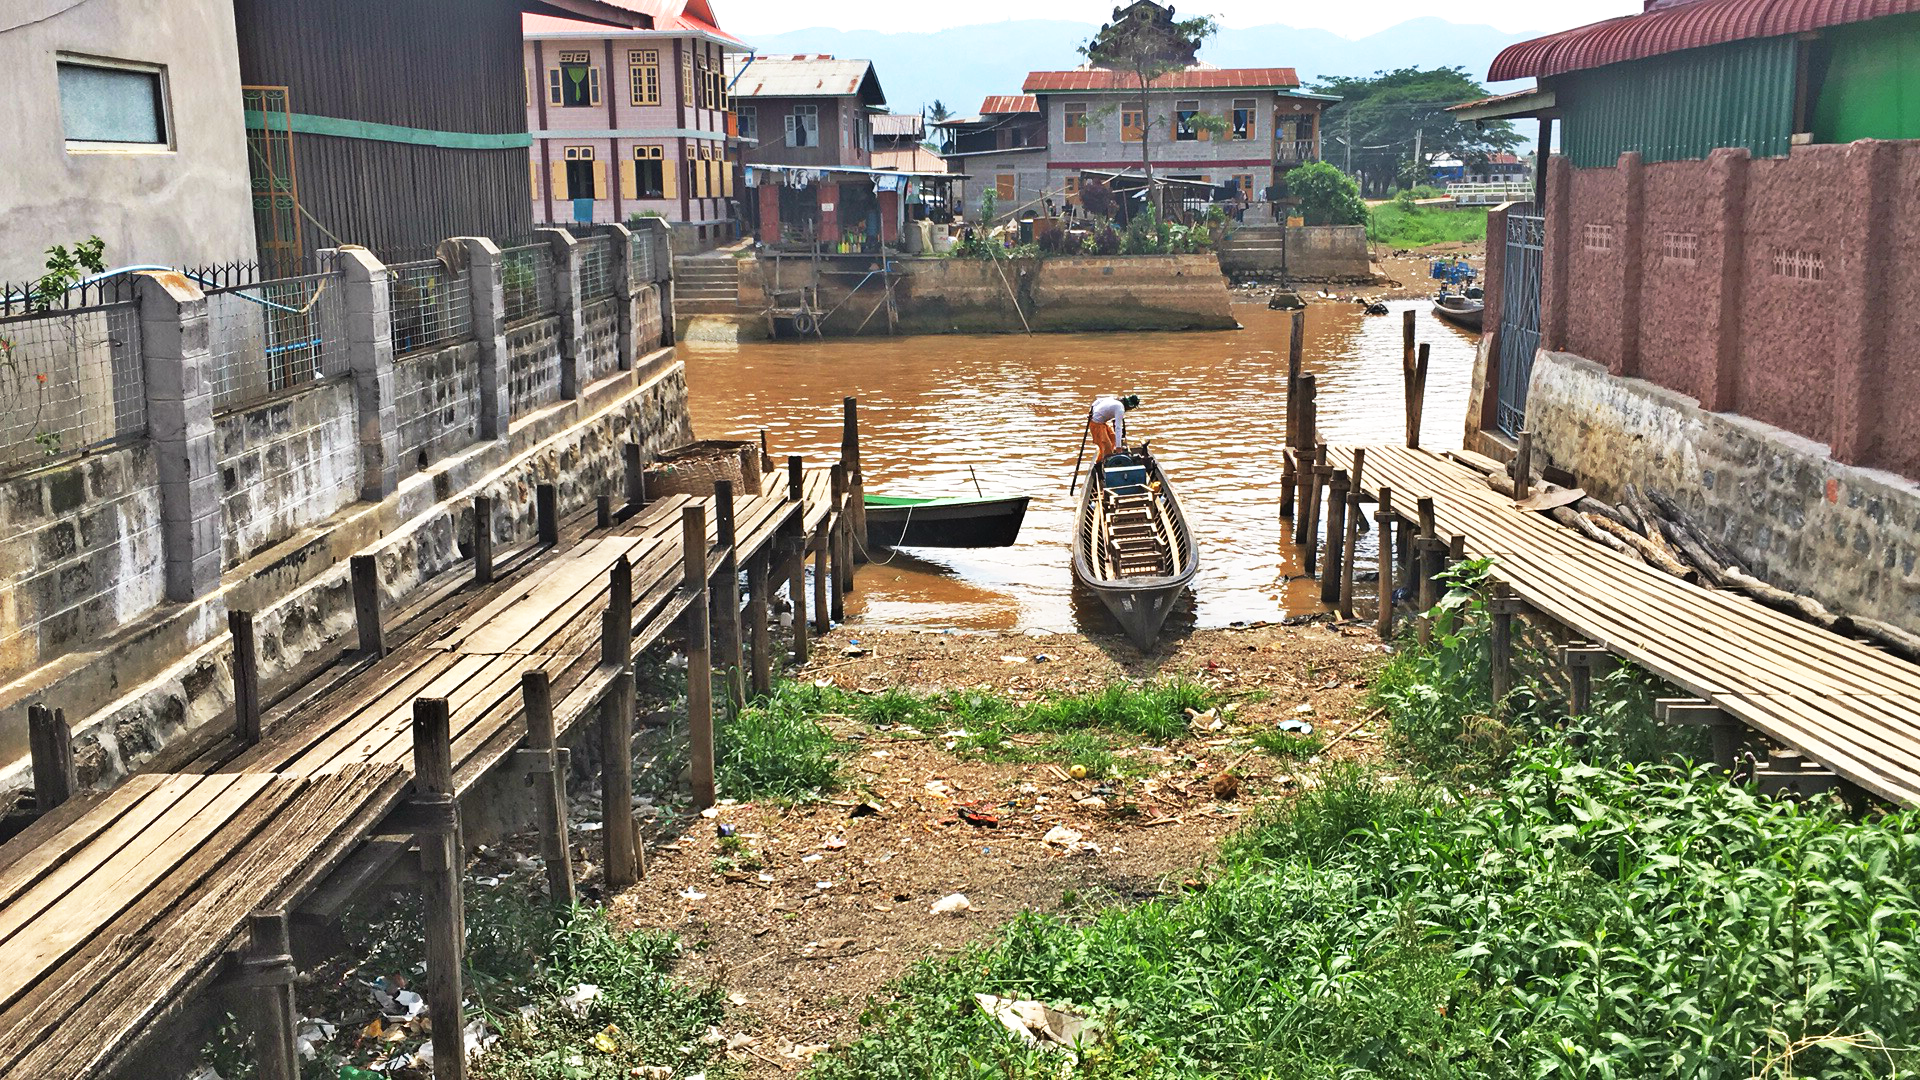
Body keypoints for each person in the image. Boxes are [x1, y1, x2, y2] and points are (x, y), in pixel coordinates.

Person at [1088, 393, 1140, 460]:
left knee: (1113, 438)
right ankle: (1102, 462)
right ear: (1129, 406)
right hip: (1096, 424)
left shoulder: (1114, 399)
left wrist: (1092, 411)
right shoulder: (1120, 409)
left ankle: (1107, 456)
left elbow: (1098, 401)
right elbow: (1118, 428)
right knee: (1107, 446)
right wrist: (1118, 448)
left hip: (1102, 422)